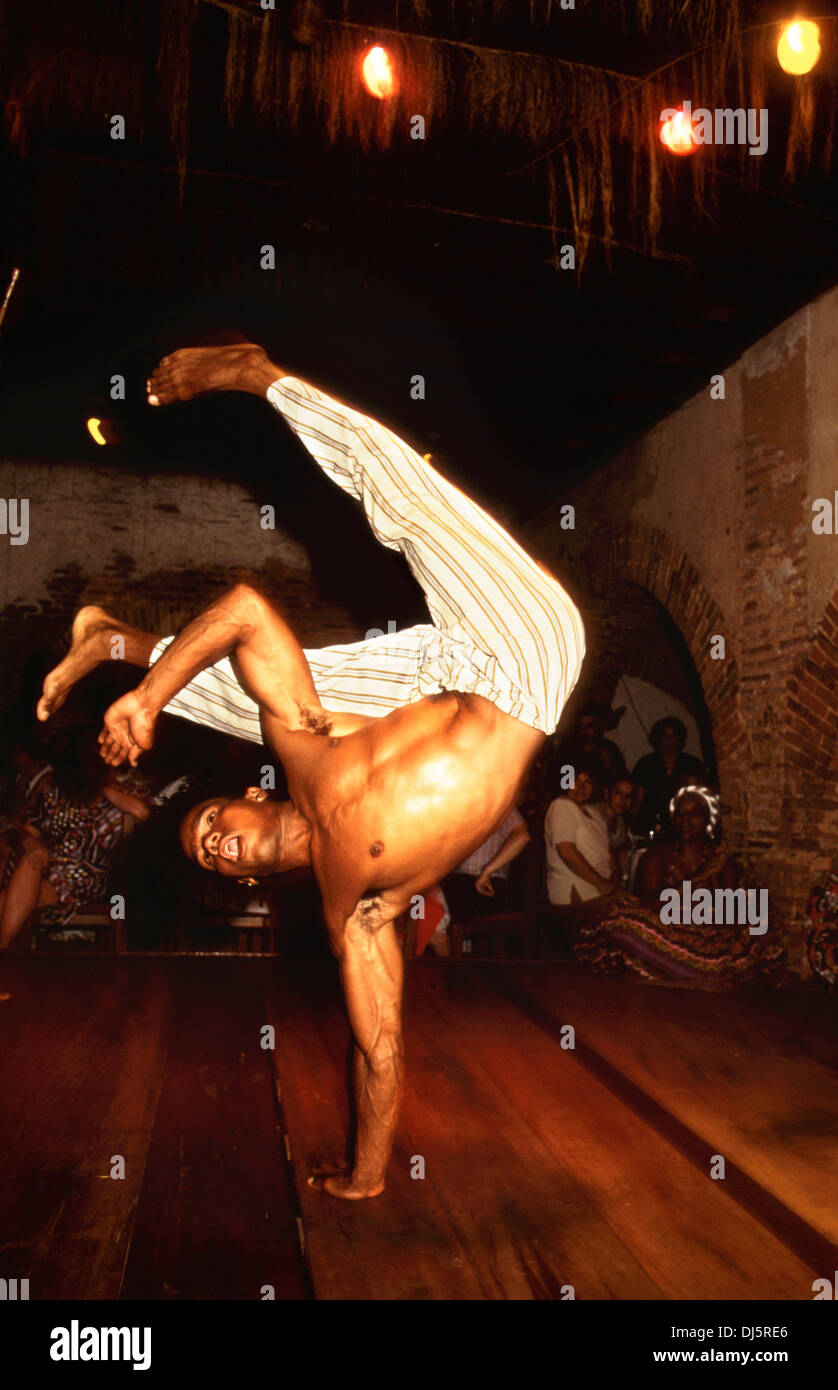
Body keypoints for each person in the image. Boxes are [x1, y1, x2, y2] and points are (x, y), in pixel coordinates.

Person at [36, 341, 586, 1200]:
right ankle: (118, 640)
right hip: (523, 675)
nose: (219, 844)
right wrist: (368, 1175)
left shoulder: (302, 759)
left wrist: (146, 699)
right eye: (213, 857)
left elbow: (250, 608)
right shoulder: (356, 914)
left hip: (480, 658)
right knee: (279, 697)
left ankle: (257, 374)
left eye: (211, 825)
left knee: (395, 527)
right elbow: (381, 1047)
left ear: (251, 798)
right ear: (247, 883)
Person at [574, 785, 785, 988]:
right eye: (680, 814)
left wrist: (715, 881)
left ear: (708, 821)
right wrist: (697, 878)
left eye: (693, 813)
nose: (686, 819)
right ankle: (693, 968)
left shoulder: (721, 862)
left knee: (758, 919)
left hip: (706, 937)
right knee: (623, 922)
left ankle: (683, 967)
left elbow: (726, 915)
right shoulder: (657, 857)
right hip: (665, 932)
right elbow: (647, 907)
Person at [0, 736, 151, 997]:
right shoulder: (57, 792)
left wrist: (102, 786)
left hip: (88, 876)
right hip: (45, 864)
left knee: (30, 868)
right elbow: (25, 830)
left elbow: (141, 813)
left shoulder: (125, 789)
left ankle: (2, 951)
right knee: (25, 857)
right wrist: (28, 841)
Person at [436, 807, 531, 953]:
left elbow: (522, 836)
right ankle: (454, 957)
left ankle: (453, 961)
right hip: (458, 884)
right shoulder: (460, 808)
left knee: (428, 904)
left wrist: (488, 870)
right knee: (423, 900)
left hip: (487, 885)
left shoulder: (501, 806)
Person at [544, 759, 615, 909]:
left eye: (587, 781)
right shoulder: (561, 805)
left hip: (600, 890)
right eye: (574, 779)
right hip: (578, 890)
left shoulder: (594, 812)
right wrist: (601, 883)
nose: (581, 786)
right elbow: (566, 852)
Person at [631, 715, 705, 835]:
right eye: (665, 735)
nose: (669, 739)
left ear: (680, 738)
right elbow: (636, 799)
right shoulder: (646, 763)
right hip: (648, 826)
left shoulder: (691, 762)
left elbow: (699, 797)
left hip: (683, 826)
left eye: (673, 735)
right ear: (658, 739)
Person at [595, 771, 635, 887]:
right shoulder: (595, 814)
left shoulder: (620, 821)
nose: (623, 801)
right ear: (607, 794)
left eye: (628, 796)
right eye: (618, 794)